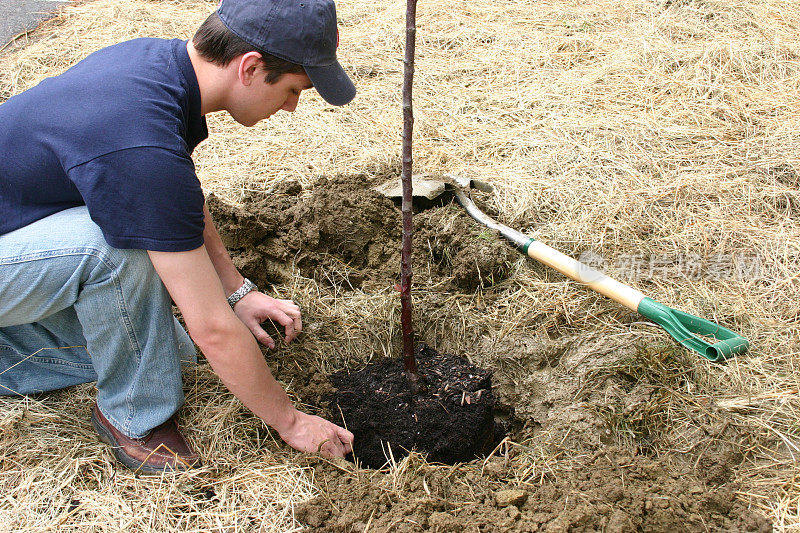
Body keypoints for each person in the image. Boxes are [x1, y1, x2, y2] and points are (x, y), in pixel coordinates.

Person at [0, 0, 356, 473]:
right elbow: (211, 328)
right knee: (112, 250)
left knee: (169, 354)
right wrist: (290, 422)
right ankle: (134, 418)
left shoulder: (157, 69)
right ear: (250, 68)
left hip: (16, 236)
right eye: (293, 89)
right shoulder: (140, 139)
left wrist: (237, 292)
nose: (291, 106)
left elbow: (176, 198)